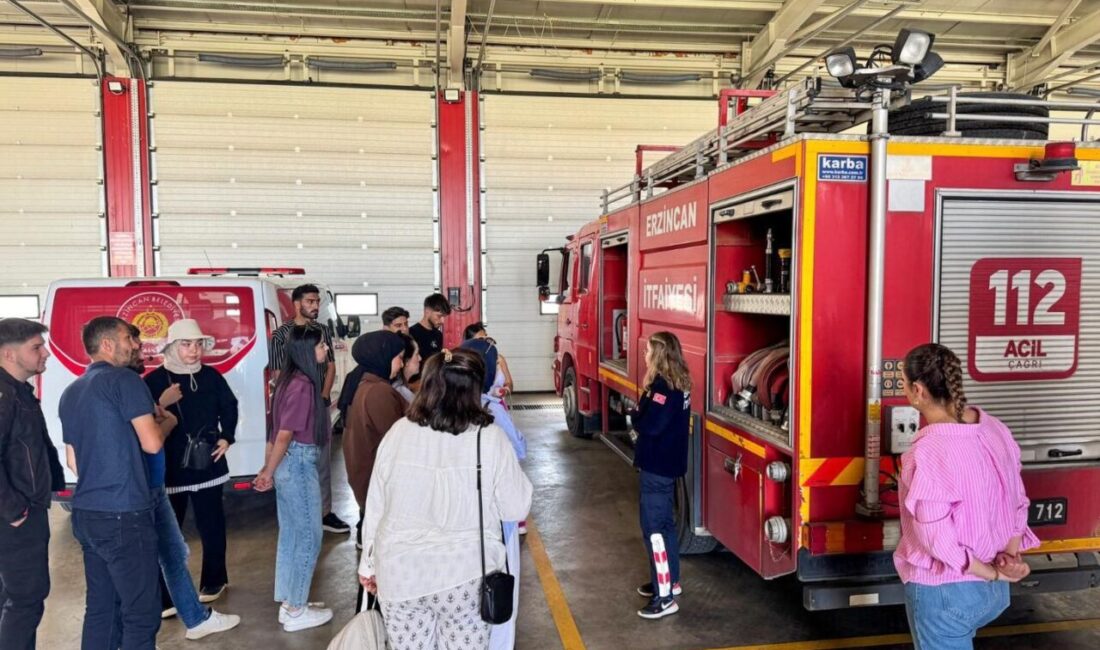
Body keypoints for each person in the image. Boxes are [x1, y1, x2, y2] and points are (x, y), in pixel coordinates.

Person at [358, 349, 532, 650]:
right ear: (474, 389)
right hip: (465, 577)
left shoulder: (398, 433)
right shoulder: (489, 438)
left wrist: (367, 564)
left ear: (428, 385)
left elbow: (375, 506)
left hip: (401, 574)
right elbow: (515, 507)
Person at [895, 343, 1038, 650]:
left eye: (904, 384)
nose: (904, 390)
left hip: (947, 593)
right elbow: (1017, 499)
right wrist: (1008, 559)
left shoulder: (928, 451)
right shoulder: (993, 428)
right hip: (991, 594)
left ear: (918, 390)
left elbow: (937, 540)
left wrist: (992, 572)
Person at [122, 324, 240, 640]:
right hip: (170, 466)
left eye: (198, 344)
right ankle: (164, 596)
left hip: (208, 463)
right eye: (186, 344)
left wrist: (227, 437)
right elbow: (140, 420)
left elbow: (230, 406)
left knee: (212, 522)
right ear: (172, 346)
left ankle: (214, 579)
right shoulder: (154, 381)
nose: (194, 350)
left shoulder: (212, 377)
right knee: (165, 535)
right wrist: (162, 399)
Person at [60, 316, 166, 649]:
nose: (137, 344)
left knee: (102, 609)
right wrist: (170, 422)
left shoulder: (71, 391)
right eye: (129, 338)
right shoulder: (125, 380)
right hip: (124, 513)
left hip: (88, 512)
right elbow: (152, 444)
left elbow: (73, 461)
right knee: (142, 614)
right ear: (107, 344)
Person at [254, 325, 333, 632]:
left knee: (291, 534)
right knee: (310, 537)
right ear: (305, 351)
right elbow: (285, 434)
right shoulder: (303, 385)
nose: (325, 351)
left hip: (288, 462)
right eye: (321, 347)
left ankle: (290, 602)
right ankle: (297, 609)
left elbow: (275, 432)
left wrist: (268, 468)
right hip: (298, 463)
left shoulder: (287, 381)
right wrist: (268, 472)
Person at [0, 318, 64, 650]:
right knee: (27, 598)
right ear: (8, 354)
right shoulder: (4, 395)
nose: (46, 354)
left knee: (13, 595)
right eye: (36, 348)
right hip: (16, 515)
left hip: (24, 508)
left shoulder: (18, 390)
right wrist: (15, 509)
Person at [459, 338, 527, 650]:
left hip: (457, 536)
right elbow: (517, 500)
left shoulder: (428, 420)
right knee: (497, 609)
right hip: (495, 531)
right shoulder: (492, 419)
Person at [269, 284, 349, 535]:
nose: (315, 306)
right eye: (310, 301)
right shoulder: (282, 335)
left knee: (322, 461)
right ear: (296, 304)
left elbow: (331, 368)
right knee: (297, 458)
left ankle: (325, 512)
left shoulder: (322, 330)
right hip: (296, 404)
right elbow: (278, 373)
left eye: (317, 301)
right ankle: (302, 516)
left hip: (318, 404)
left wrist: (322, 396)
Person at [631, 331, 692, 620]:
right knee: (666, 526)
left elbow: (649, 425)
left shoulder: (662, 388)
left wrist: (635, 415)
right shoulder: (680, 383)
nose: (644, 355)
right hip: (669, 466)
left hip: (656, 468)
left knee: (654, 530)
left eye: (647, 351)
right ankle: (670, 581)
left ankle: (664, 598)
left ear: (657, 355)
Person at [342, 331, 407, 552]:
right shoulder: (379, 392)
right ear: (383, 357)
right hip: (380, 485)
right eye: (399, 357)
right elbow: (400, 442)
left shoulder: (364, 383)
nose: (401, 364)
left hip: (368, 482)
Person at [462, 322, 513, 400]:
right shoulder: (463, 362)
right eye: (480, 339)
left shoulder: (499, 359)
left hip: (496, 405)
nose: (485, 340)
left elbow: (509, 383)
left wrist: (505, 390)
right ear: (469, 343)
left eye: (486, 336)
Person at [408, 293, 451, 362]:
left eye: (444, 317)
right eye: (439, 316)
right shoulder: (412, 333)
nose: (442, 321)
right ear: (427, 312)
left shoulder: (438, 334)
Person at [392, 333, 421, 403]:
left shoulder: (401, 387)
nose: (420, 358)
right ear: (406, 361)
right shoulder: (400, 391)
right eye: (416, 354)